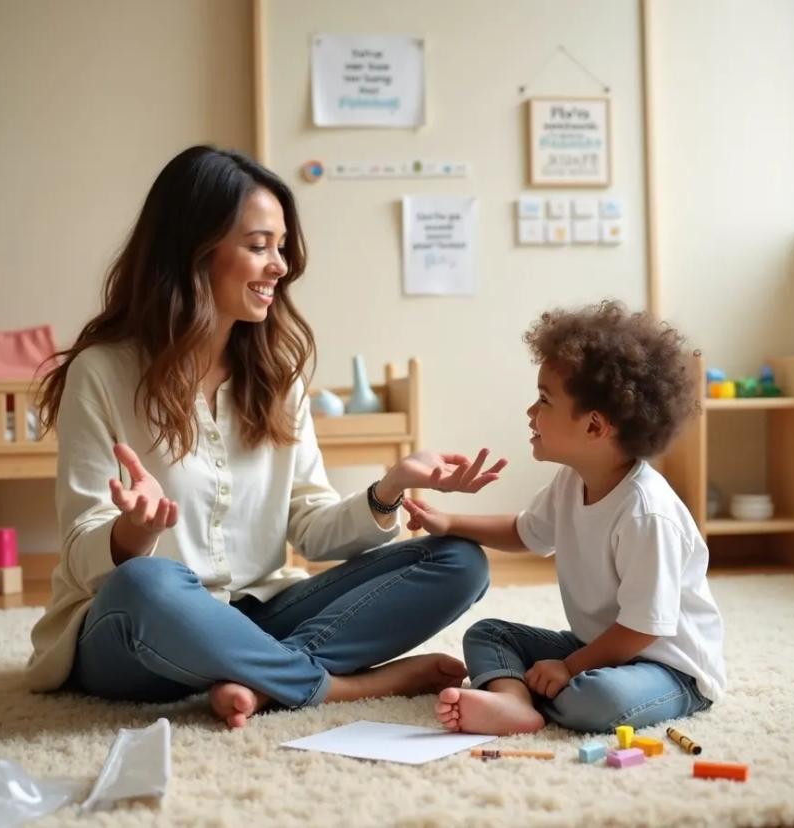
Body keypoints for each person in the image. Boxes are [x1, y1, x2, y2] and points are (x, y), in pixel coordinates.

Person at [26, 144, 506, 729]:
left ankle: (257, 676)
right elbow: (82, 555)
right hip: (133, 633)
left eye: (280, 247)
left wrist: (389, 489)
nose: (279, 265)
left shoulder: (277, 378)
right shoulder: (101, 372)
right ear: (191, 251)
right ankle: (335, 686)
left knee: (459, 560)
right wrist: (133, 532)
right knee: (148, 582)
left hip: (258, 615)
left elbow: (311, 525)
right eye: (258, 247)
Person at [403, 301, 726, 736]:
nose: (530, 413)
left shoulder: (647, 514)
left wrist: (569, 667)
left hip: (669, 669)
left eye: (543, 400)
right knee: (489, 634)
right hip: (597, 648)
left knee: (595, 700)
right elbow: (526, 531)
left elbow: (642, 628)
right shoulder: (570, 483)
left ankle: (532, 691)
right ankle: (514, 703)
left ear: (595, 427)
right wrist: (450, 521)